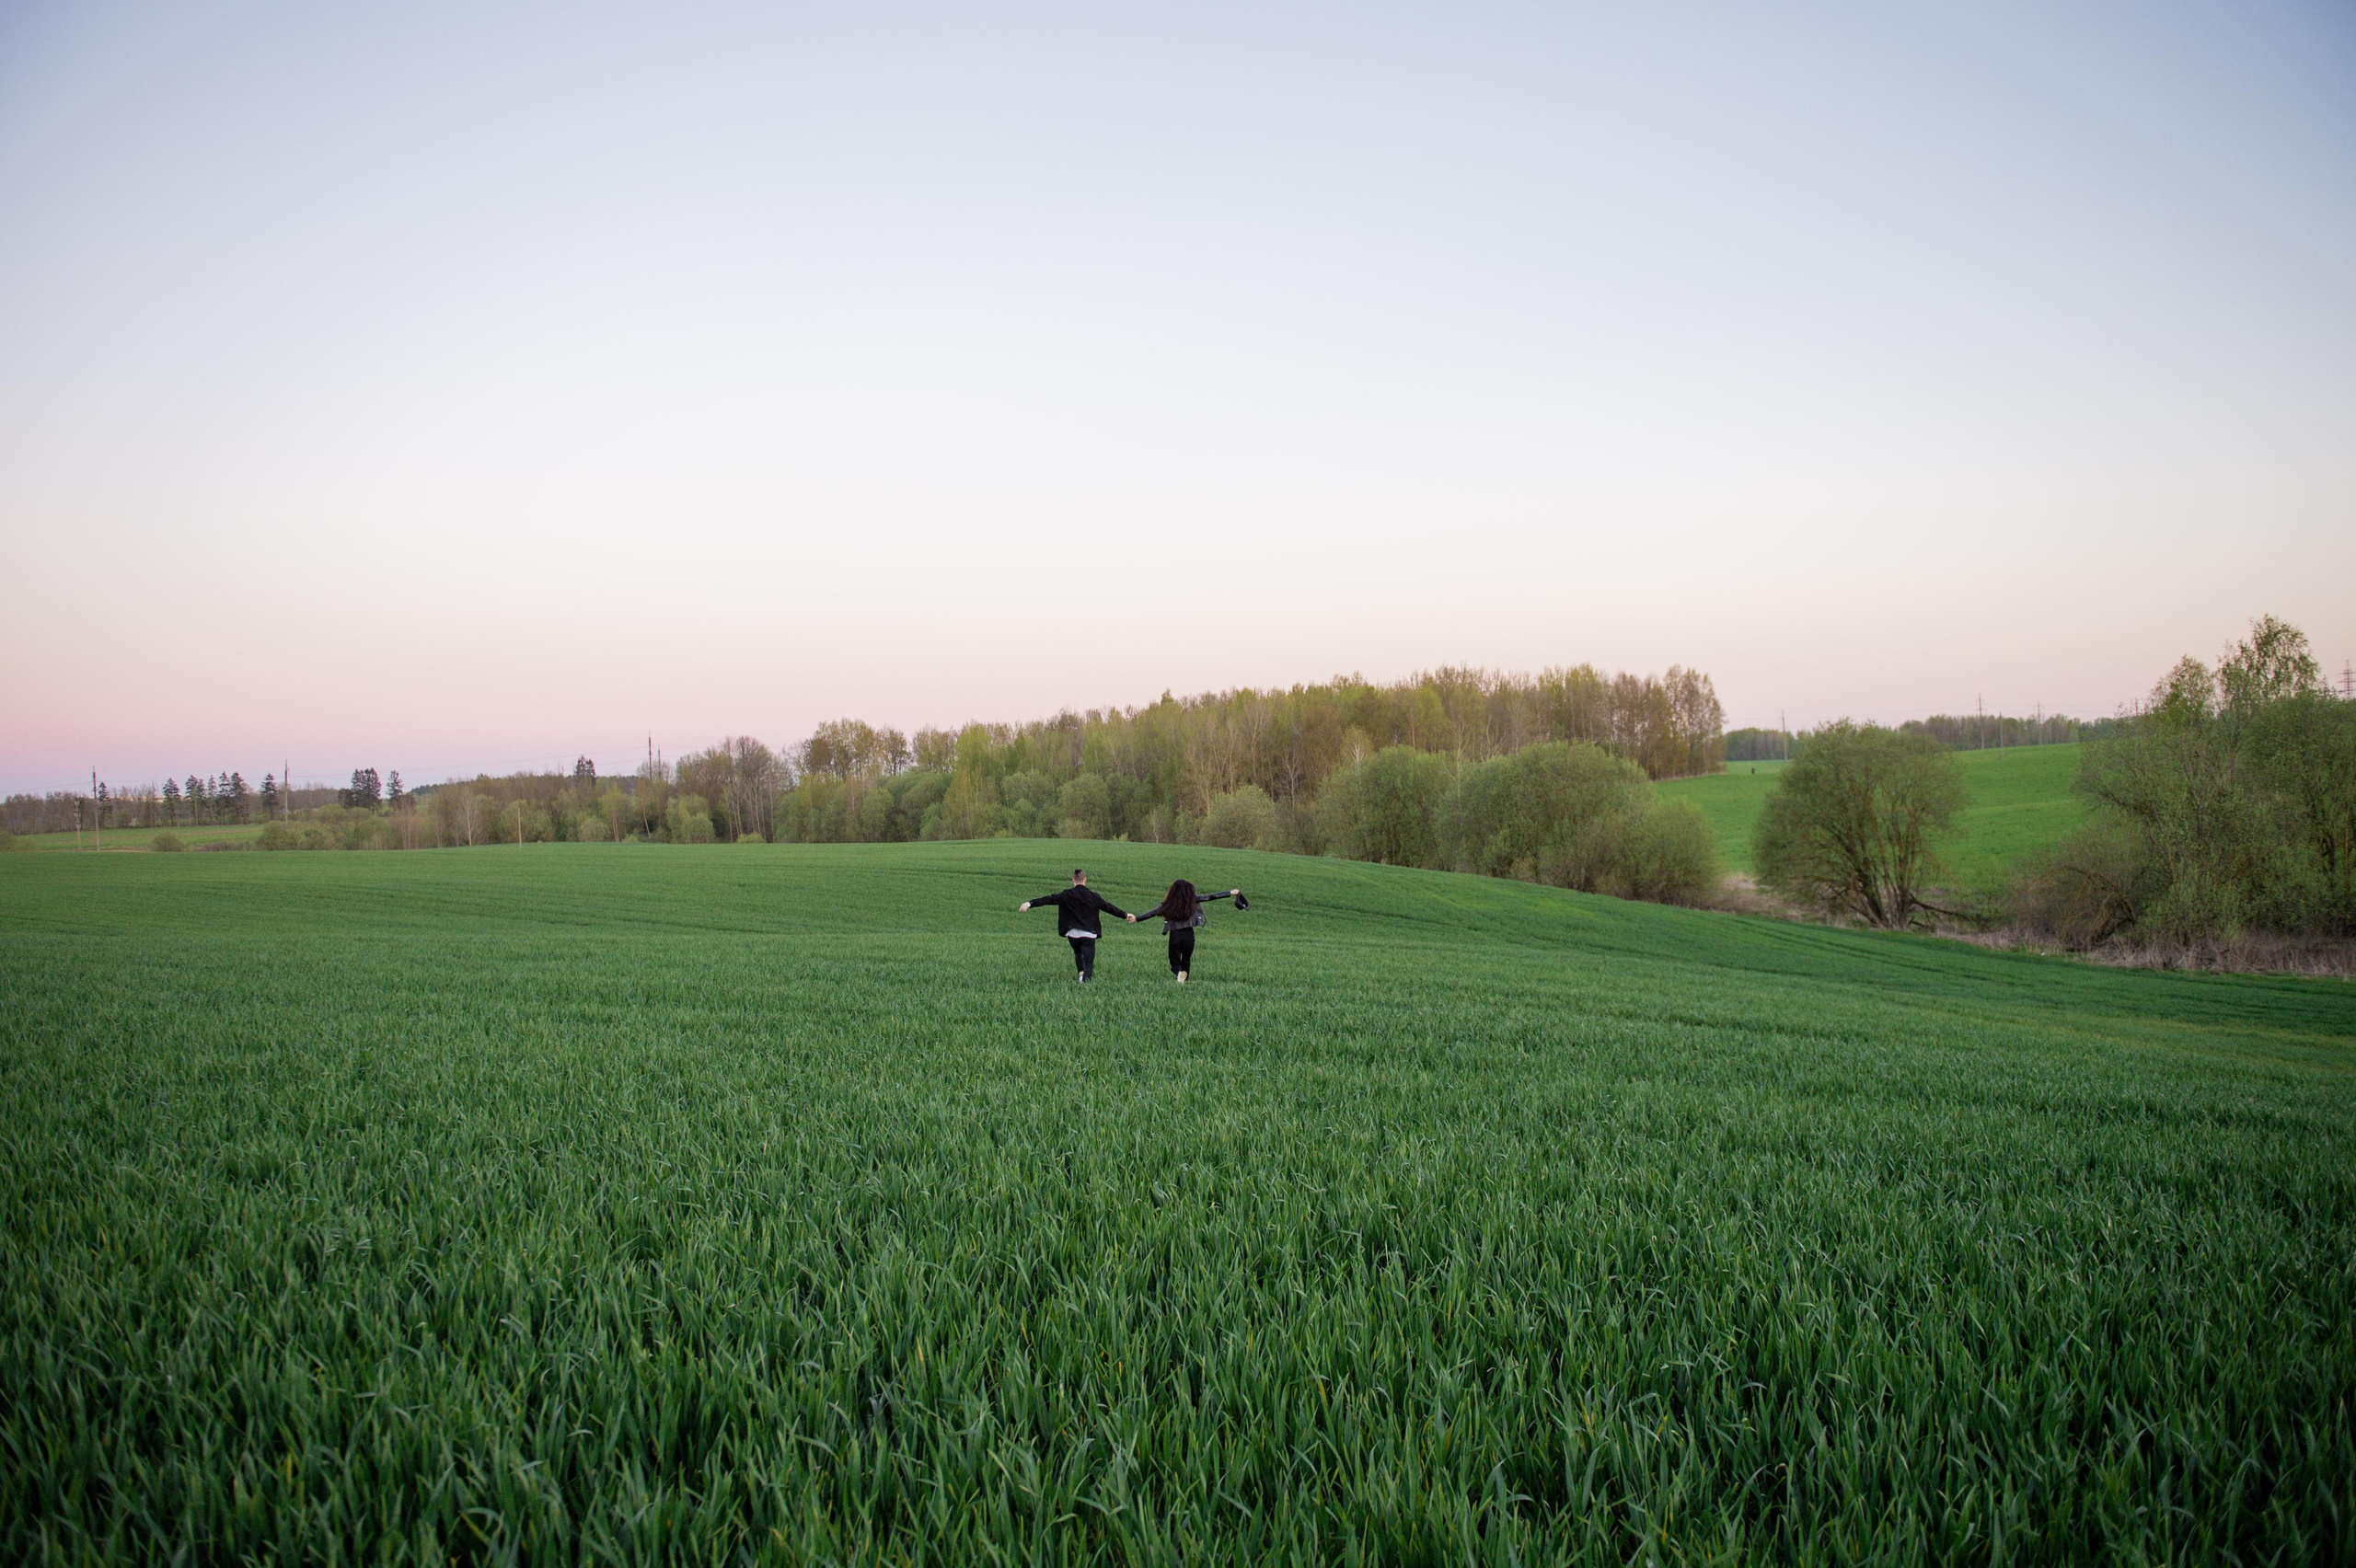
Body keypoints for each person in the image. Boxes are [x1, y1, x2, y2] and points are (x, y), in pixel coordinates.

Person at [1017, 868, 1130, 984]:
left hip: (1072, 934)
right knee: (1088, 962)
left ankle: (1081, 974)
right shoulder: (1094, 896)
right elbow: (1109, 907)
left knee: (1078, 952)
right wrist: (1125, 915)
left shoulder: (1067, 894)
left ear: (1073, 881)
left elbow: (1049, 899)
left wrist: (1030, 903)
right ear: (1085, 880)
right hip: (1089, 934)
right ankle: (1086, 983)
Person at [1128, 878, 1244, 983]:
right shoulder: (1193, 900)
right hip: (1189, 935)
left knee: (1174, 961)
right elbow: (1211, 896)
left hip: (1175, 935)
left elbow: (1152, 913)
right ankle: (1185, 981)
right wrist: (1231, 892)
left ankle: (1179, 975)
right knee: (1186, 960)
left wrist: (1136, 918)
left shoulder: (1168, 904)